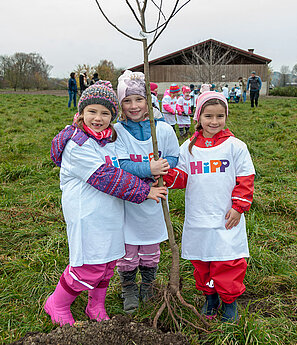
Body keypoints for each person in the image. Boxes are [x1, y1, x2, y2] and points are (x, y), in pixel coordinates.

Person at [45, 80, 167, 327]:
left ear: (113, 117)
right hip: (88, 215)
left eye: (105, 113)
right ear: (81, 113)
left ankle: (95, 305)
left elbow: (124, 164)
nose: (98, 118)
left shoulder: (109, 139)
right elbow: (105, 176)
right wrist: (144, 191)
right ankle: (57, 304)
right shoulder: (77, 144)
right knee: (89, 264)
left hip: (111, 214)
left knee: (108, 263)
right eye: (92, 111)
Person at [163, 89, 255, 323]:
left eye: (219, 116)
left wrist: (238, 206)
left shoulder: (236, 146)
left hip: (227, 217)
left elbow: (246, 177)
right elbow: (181, 177)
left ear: (226, 116)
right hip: (198, 217)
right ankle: (210, 298)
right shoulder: (188, 148)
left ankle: (229, 301)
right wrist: (163, 174)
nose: (214, 122)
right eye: (208, 116)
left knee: (228, 261)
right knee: (202, 261)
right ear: (198, 118)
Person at [114, 70, 180, 314]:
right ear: (120, 104)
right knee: (128, 250)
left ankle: (148, 285)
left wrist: (162, 168)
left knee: (151, 249)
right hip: (128, 202)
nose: (133, 106)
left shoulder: (162, 130)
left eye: (139, 99)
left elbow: (173, 156)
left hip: (156, 201)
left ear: (149, 100)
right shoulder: (117, 132)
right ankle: (128, 287)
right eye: (127, 101)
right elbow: (120, 164)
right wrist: (147, 168)